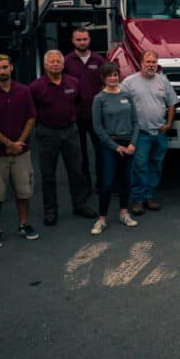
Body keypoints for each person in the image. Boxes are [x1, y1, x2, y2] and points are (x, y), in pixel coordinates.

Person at [0, 54, 39, 247]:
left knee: (24, 190)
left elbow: (31, 118)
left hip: (21, 152)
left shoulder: (23, 91)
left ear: (11, 67)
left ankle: (24, 224)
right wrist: (8, 143)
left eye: (5, 67)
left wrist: (19, 142)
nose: (2, 71)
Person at [30, 50, 95, 226]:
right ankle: (51, 211)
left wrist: (72, 118)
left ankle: (80, 205)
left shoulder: (73, 82)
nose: (55, 64)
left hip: (70, 131)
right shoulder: (36, 86)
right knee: (48, 175)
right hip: (47, 133)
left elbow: (80, 103)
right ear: (45, 65)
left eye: (58, 61)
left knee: (76, 171)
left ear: (63, 64)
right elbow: (31, 111)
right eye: (51, 62)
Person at [121, 50, 178, 215]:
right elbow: (120, 102)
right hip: (141, 134)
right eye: (148, 62)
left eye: (154, 62)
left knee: (156, 166)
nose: (151, 65)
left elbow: (172, 103)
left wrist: (168, 123)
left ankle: (149, 196)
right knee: (139, 167)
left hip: (159, 133)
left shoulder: (163, 81)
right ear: (141, 62)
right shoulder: (129, 82)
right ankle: (137, 199)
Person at [90, 62, 140, 234]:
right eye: (109, 75)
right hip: (110, 146)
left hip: (129, 144)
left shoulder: (127, 95)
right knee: (107, 183)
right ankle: (102, 219)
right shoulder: (99, 99)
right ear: (103, 78)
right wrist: (115, 146)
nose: (113, 78)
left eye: (115, 74)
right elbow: (97, 128)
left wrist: (133, 143)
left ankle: (124, 213)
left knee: (126, 181)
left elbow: (135, 122)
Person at [63, 27, 106, 192]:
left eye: (85, 39)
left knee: (101, 151)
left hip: (97, 115)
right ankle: (84, 186)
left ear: (89, 40)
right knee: (80, 155)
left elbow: (106, 84)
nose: (82, 42)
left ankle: (102, 184)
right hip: (76, 116)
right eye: (78, 39)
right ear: (73, 41)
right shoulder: (66, 62)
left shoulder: (99, 60)